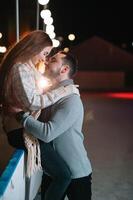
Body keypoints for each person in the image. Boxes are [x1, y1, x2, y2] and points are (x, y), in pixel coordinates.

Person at [0, 30, 79, 200]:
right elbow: (33, 102)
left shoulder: (27, 67)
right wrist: (64, 91)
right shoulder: (19, 68)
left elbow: (38, 91)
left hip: (24, 127)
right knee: (63, 175)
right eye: (44, 53)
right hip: (19, 130)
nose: (44, 58)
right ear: (34, 48)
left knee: (57, 172)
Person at [17, 51, 92, 200]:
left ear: (64, 70)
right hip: (54, 171)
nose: (46, 62)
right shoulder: (51, 95)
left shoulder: (71, 99)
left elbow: (47, 132)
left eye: (53, 60)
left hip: (76, 173)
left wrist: (21, 116)